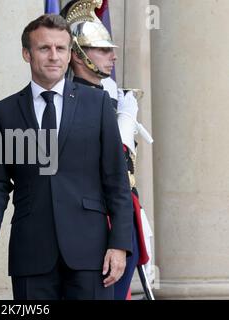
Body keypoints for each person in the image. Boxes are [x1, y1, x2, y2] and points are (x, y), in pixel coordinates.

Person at [0, 14, 133, 300]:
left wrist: (120, 244)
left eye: (61, 49)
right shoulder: (3, 112)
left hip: (93, 254)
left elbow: (116, 180)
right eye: (44, 48)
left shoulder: (97, 103)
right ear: (27, 53)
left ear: (70, 54)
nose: (53, 56)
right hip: (31, 253)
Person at [60, 0, 154, 299]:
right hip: (95, 223)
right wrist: (124, 127)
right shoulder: (67, 103)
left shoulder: (107, 96)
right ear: (78, 55)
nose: (112, 56)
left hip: (125, 215)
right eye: (102, 49)